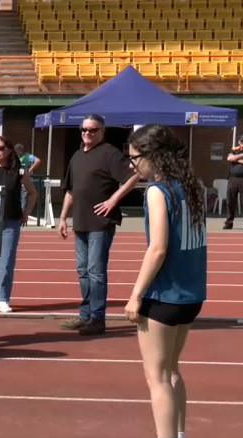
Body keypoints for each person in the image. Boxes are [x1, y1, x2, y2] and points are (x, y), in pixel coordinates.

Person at [123, 124, 207, 438]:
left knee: (157, 377)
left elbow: (157, 248)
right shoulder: (194, 187)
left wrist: (135, 295)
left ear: (153, 156)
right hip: (191, 293)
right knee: (172, 371)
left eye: (135, 159)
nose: (132, 166)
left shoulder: (158, 192)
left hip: (165, 294)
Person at [57, 114, 140, 335]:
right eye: (84, 130)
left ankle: (97, 318)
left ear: (102, 131)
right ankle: (85, 315)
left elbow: (135, 176)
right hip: (81, 222)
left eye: (92, 130)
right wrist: (63, 217)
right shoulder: (76, 156)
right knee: (83, 271)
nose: (87, 133)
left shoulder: (110, 154)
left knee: (95, 272)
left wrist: (113, 199)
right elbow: (71, 190)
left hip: (101, 223)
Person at [0, 136, 37, 313]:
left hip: (11, 222)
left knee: (6, 262)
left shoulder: (19, 171)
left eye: (1, 148)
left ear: (9, 150)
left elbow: (32, 193)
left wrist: (26, 213)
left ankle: (4, 298)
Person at [222, 134, 243, 231]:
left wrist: (236, 159)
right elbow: (229, 158)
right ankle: (229, 223)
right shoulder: (234, 150)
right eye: (241, 141)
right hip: (233, 179)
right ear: (239, 142)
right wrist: (241, 156)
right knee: (230, 202)